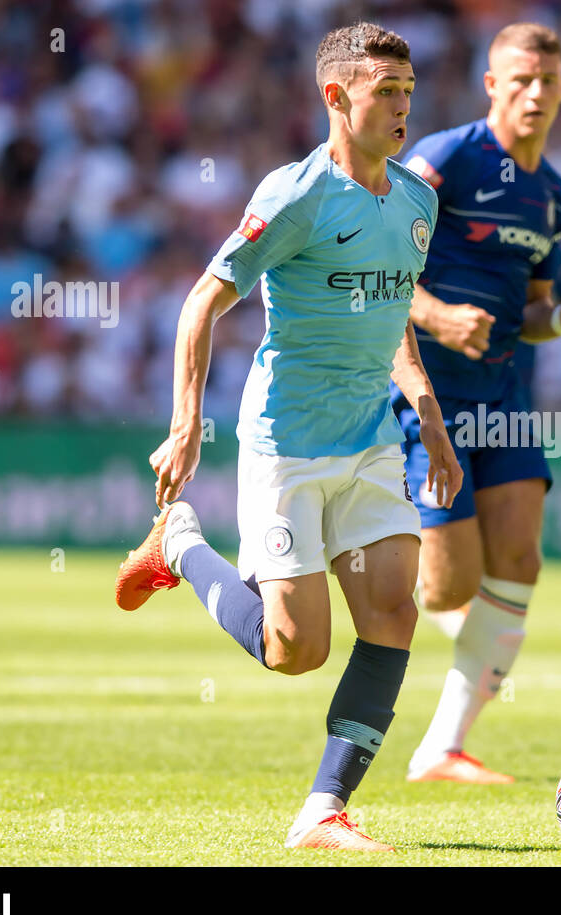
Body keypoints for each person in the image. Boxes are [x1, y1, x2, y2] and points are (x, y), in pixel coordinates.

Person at [113, 22, 463, 851]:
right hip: (287, 444)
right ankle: (183, 547)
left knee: (392, 613)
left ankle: (324, 810)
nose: (403, 108)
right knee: (295, 650)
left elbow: (392, 318)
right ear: (336, 97)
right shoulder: (295, 194)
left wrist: (431, 419)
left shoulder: (418, 199)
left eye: (409, 92)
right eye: (387, 93)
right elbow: (203, 300)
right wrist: (185, 424)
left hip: (372, 439)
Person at [394, 22, 561, 784]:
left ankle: (444, 746)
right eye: (521, 80)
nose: (536, 93)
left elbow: (534, 312)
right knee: (446, 587)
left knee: (519, 560)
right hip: (428, 397)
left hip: (508, 396)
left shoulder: (553, 194)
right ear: (491, 85)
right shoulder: (443, 160)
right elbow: (378, 270)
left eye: (548, 81)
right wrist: (441, 316)